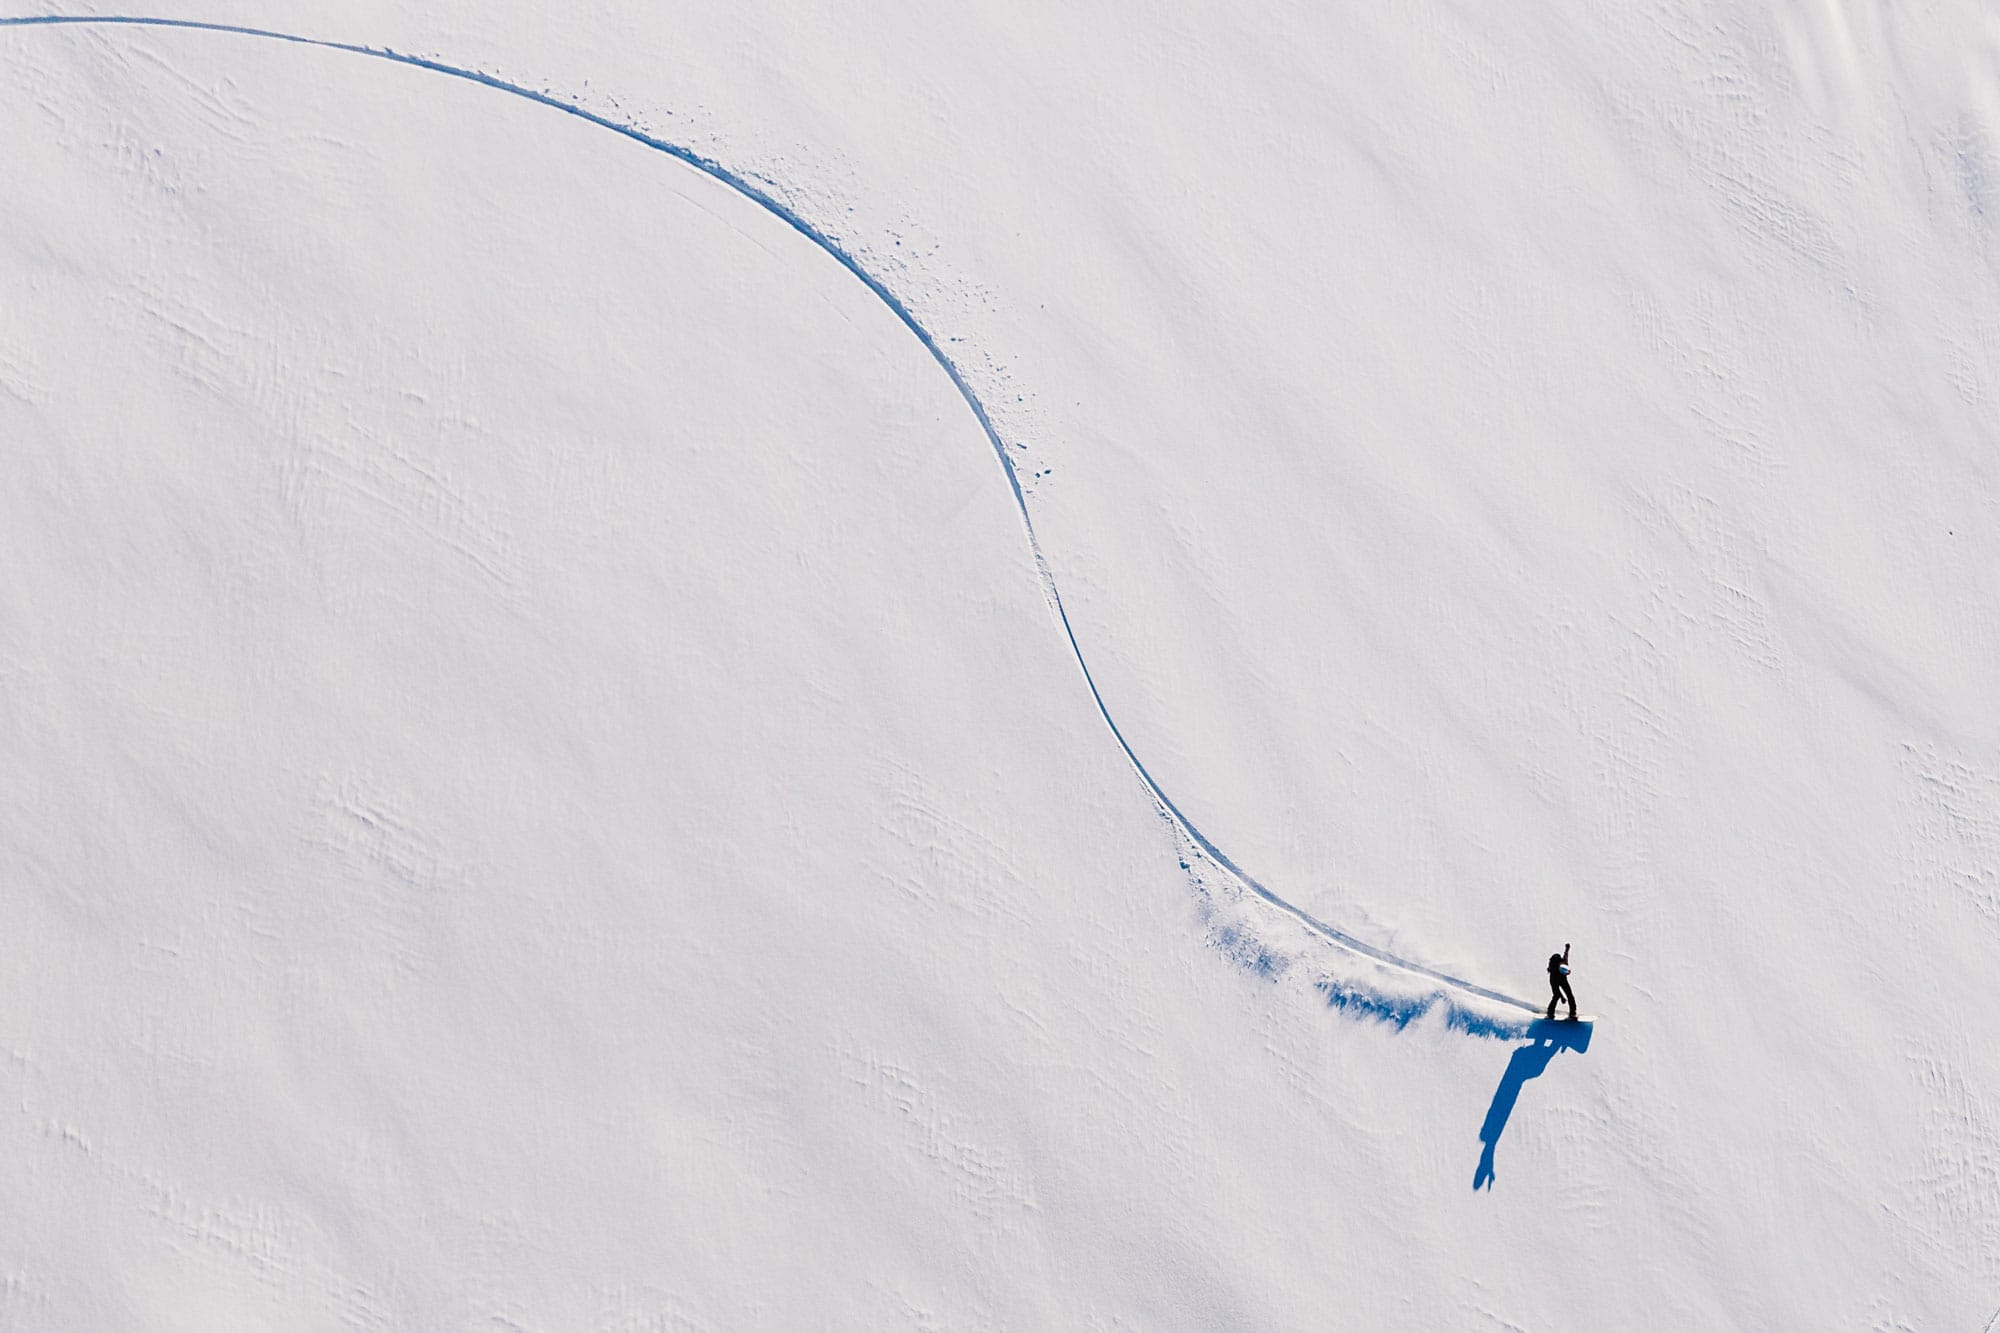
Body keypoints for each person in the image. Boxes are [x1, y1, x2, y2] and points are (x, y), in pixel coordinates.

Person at [1546, 943, 1576, 1020]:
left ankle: (1573, 1013)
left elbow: (1566, 955)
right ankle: (1550, 1012)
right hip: (1554, 980)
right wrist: (1562, 997)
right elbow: (1557, 991)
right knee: (1556, 996)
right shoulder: (1554, 972)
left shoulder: (1564, 963)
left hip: (1563, 980)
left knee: (1570, 995)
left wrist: (1567, 949)